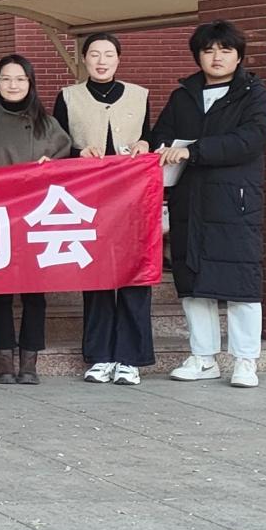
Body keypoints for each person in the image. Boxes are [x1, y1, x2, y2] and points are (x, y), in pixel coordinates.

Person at [152, 20, 266, 390]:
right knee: (193, 283)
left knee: (240, 282)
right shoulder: (183, 96)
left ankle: (245, 360)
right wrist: (155, 146)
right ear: (198, 56)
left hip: (235, 204)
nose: (216, 57)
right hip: (189, 202)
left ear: (238, 56)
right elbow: (162, 134)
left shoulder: (254, 95)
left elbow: (249, 140)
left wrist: (193, 151)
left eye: (225, 50)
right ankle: (203, 358)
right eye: (208, 50)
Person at [54, 32, 155, 385]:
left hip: (133, 199)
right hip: (89, 200)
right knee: (96, 277)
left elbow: (152, 137)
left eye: (108, 54)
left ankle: (130, 358)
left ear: (118, 59)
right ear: (83, 59)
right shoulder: (68, 97)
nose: (101, 61)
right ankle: (100, 356)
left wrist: (146, 143)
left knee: (134, 276)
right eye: (94, 54)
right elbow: (58, 144)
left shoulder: (140, 95)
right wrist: (78, 152)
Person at [0, 54, 74, 385]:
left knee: (34, 291)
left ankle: (30, 360)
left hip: (36, 216)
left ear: (30, 83)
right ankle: (4, 360)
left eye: (20, 79)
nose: (13, 85)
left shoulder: (48, 124)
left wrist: (49, 169)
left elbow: (66, 166)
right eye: (6, 78)